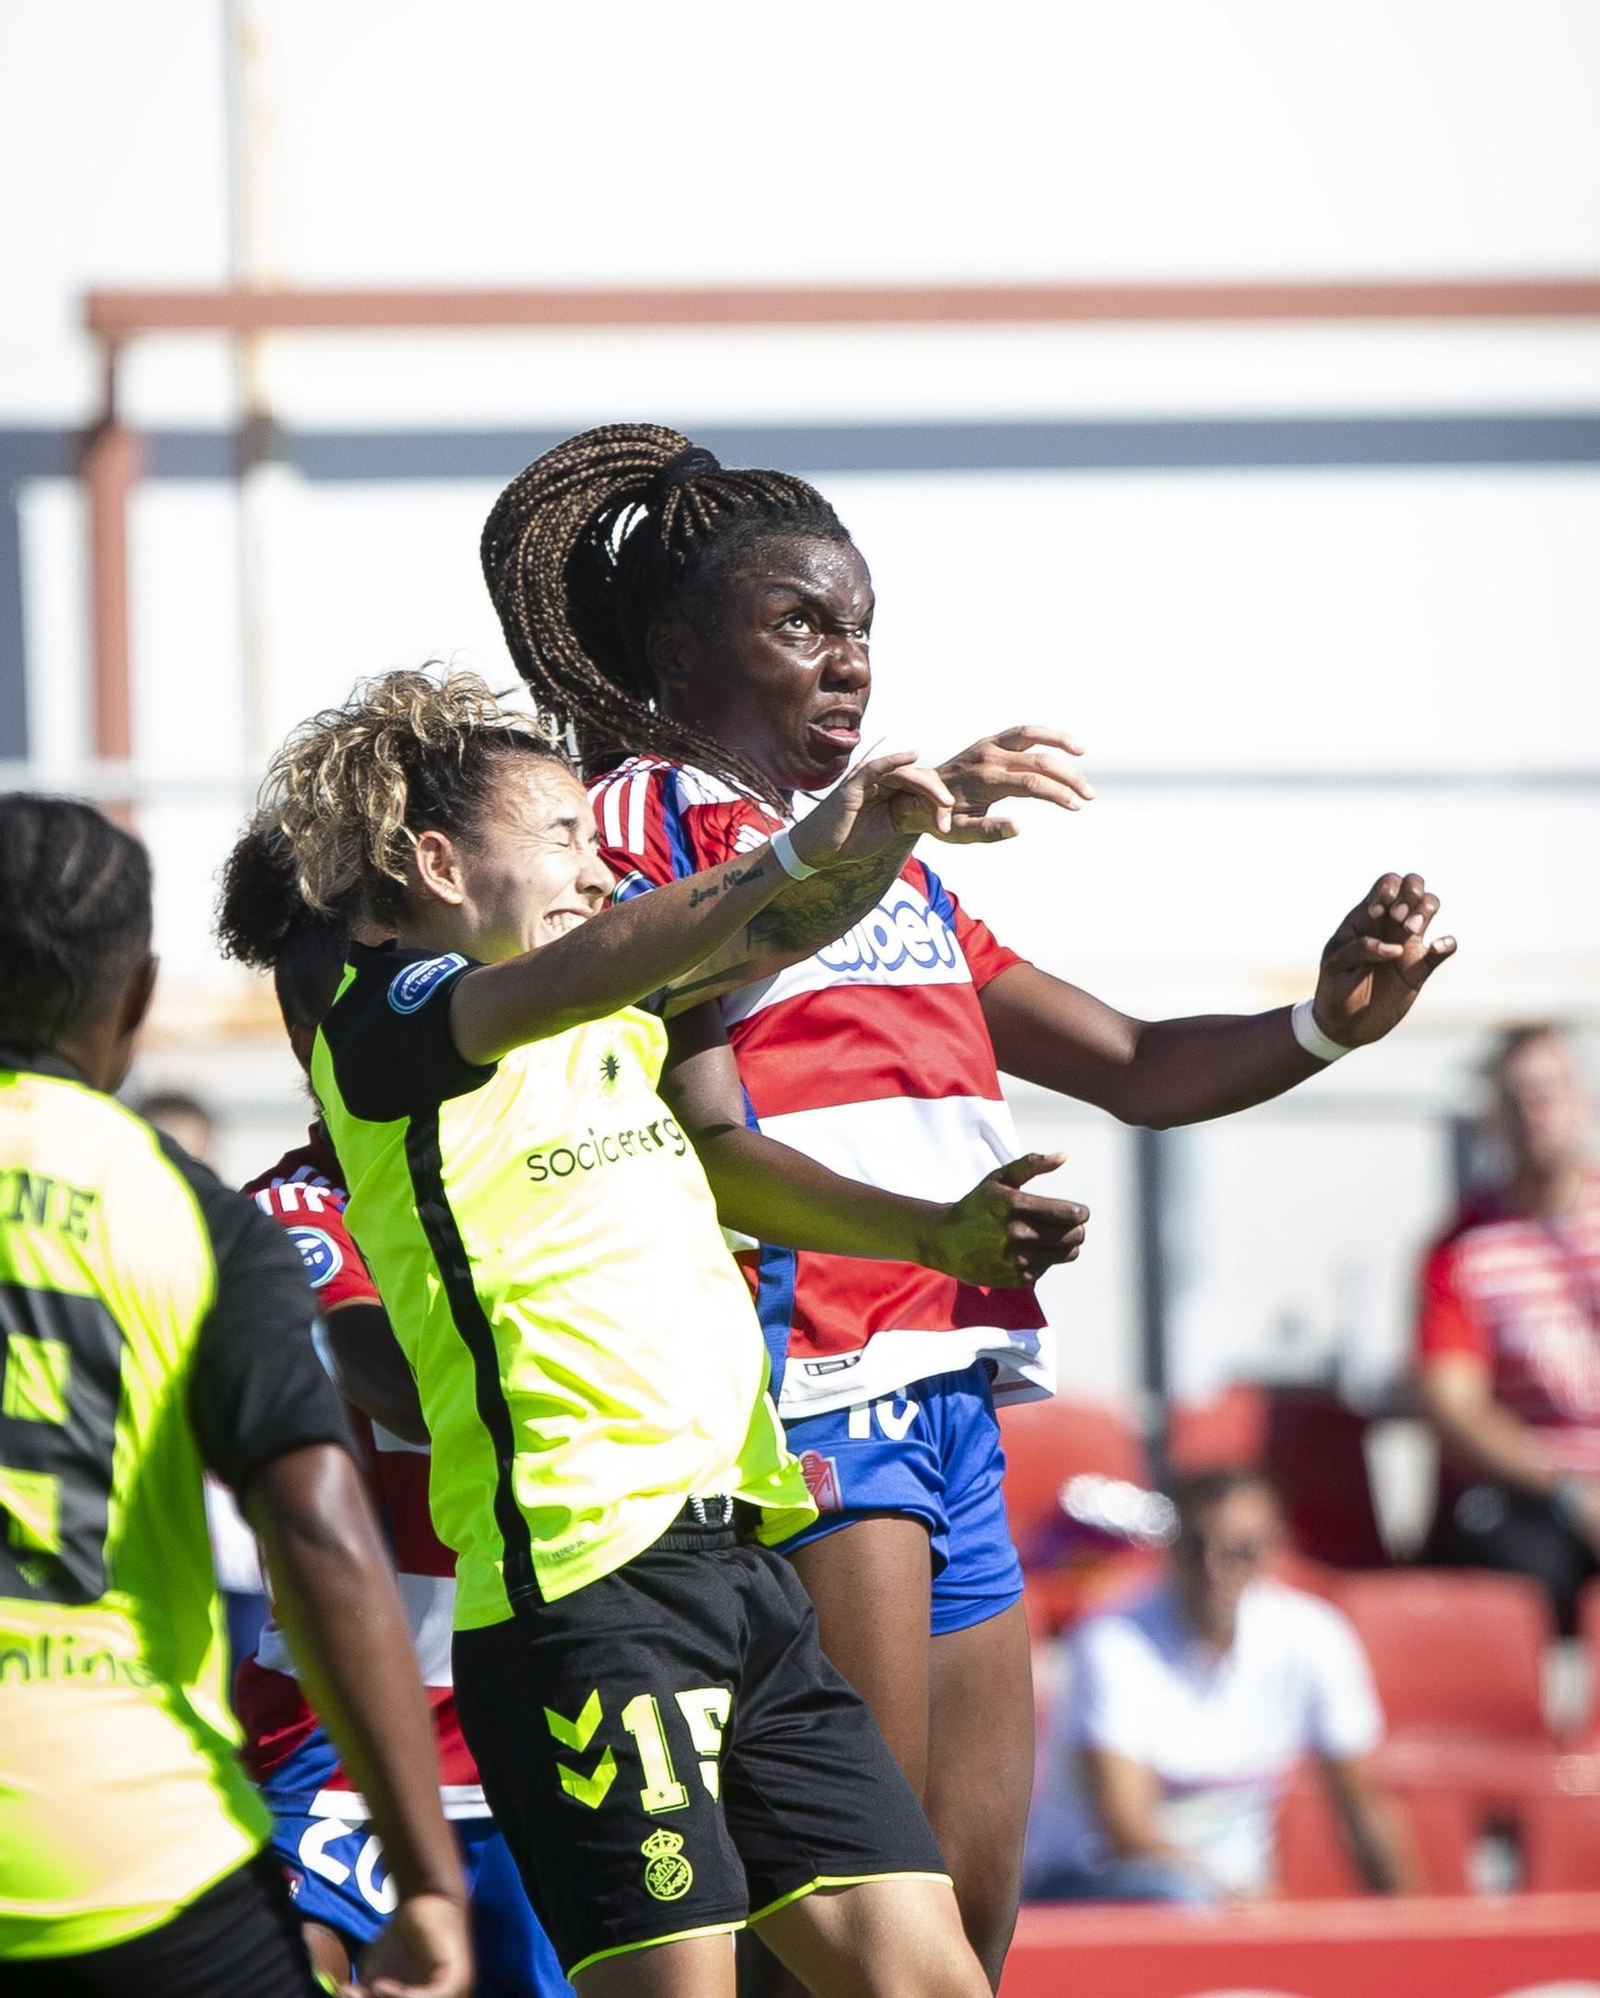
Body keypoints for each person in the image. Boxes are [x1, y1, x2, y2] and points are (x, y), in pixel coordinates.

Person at [479, 422, 1456, 1983]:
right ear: (675, 648)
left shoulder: (901, 865)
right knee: (853, 1909)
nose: (848, 660)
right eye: (800, 621)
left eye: (861, 625)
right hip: (807, 1380)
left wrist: (1325, 1021)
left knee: (969, 1915)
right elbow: (695, 1034)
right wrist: (870, 836)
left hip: (954, 1382)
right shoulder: (643, 818)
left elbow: (1134, 1062)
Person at [261, 666, 1084, 1998]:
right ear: (438, 864)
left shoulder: (605, 1018)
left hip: (745, 1570)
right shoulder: (387, 1019)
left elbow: (767, 930)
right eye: (562, 838)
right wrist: (799, 846)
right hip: (586, 1596)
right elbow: (621, 949)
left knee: (932, 1981)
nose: (598, 869)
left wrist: (884, 834)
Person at [0, 793, 471, 1998]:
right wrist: (426, 1877)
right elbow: (314, 1520)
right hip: (117, 1840)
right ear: (139, 997)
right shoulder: (186, 1210)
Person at [217, 819, 572, 1998]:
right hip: (351, 1733)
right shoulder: (291, 1213)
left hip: (544, 1705)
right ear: (317, 1039)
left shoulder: (533, 1181)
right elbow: (401, 1383)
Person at [1023, 1471, 1413, 1904]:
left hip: (1230, 1900)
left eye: (1240, 1552)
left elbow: (1363, 1807)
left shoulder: (1316, 1636)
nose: (1214, 1569)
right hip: (1088, 1885)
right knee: (1178, 1899)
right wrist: (1235, 1904)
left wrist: (1409, 1926)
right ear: (1170, 1548)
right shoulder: (1110, 1641)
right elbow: (1127, 1831)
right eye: (1196, 1548)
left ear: (1272, 1550)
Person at [1418, 1023, 1600, 1631]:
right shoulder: (1461, 1250)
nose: (1535, 1112)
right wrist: (1570, 1491)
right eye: (1518, 1097)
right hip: (1529, 1496)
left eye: (1549, 1092)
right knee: (1520, 1580)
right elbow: (1457, 1409)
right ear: (1495, 1118)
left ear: (1582, 1102)